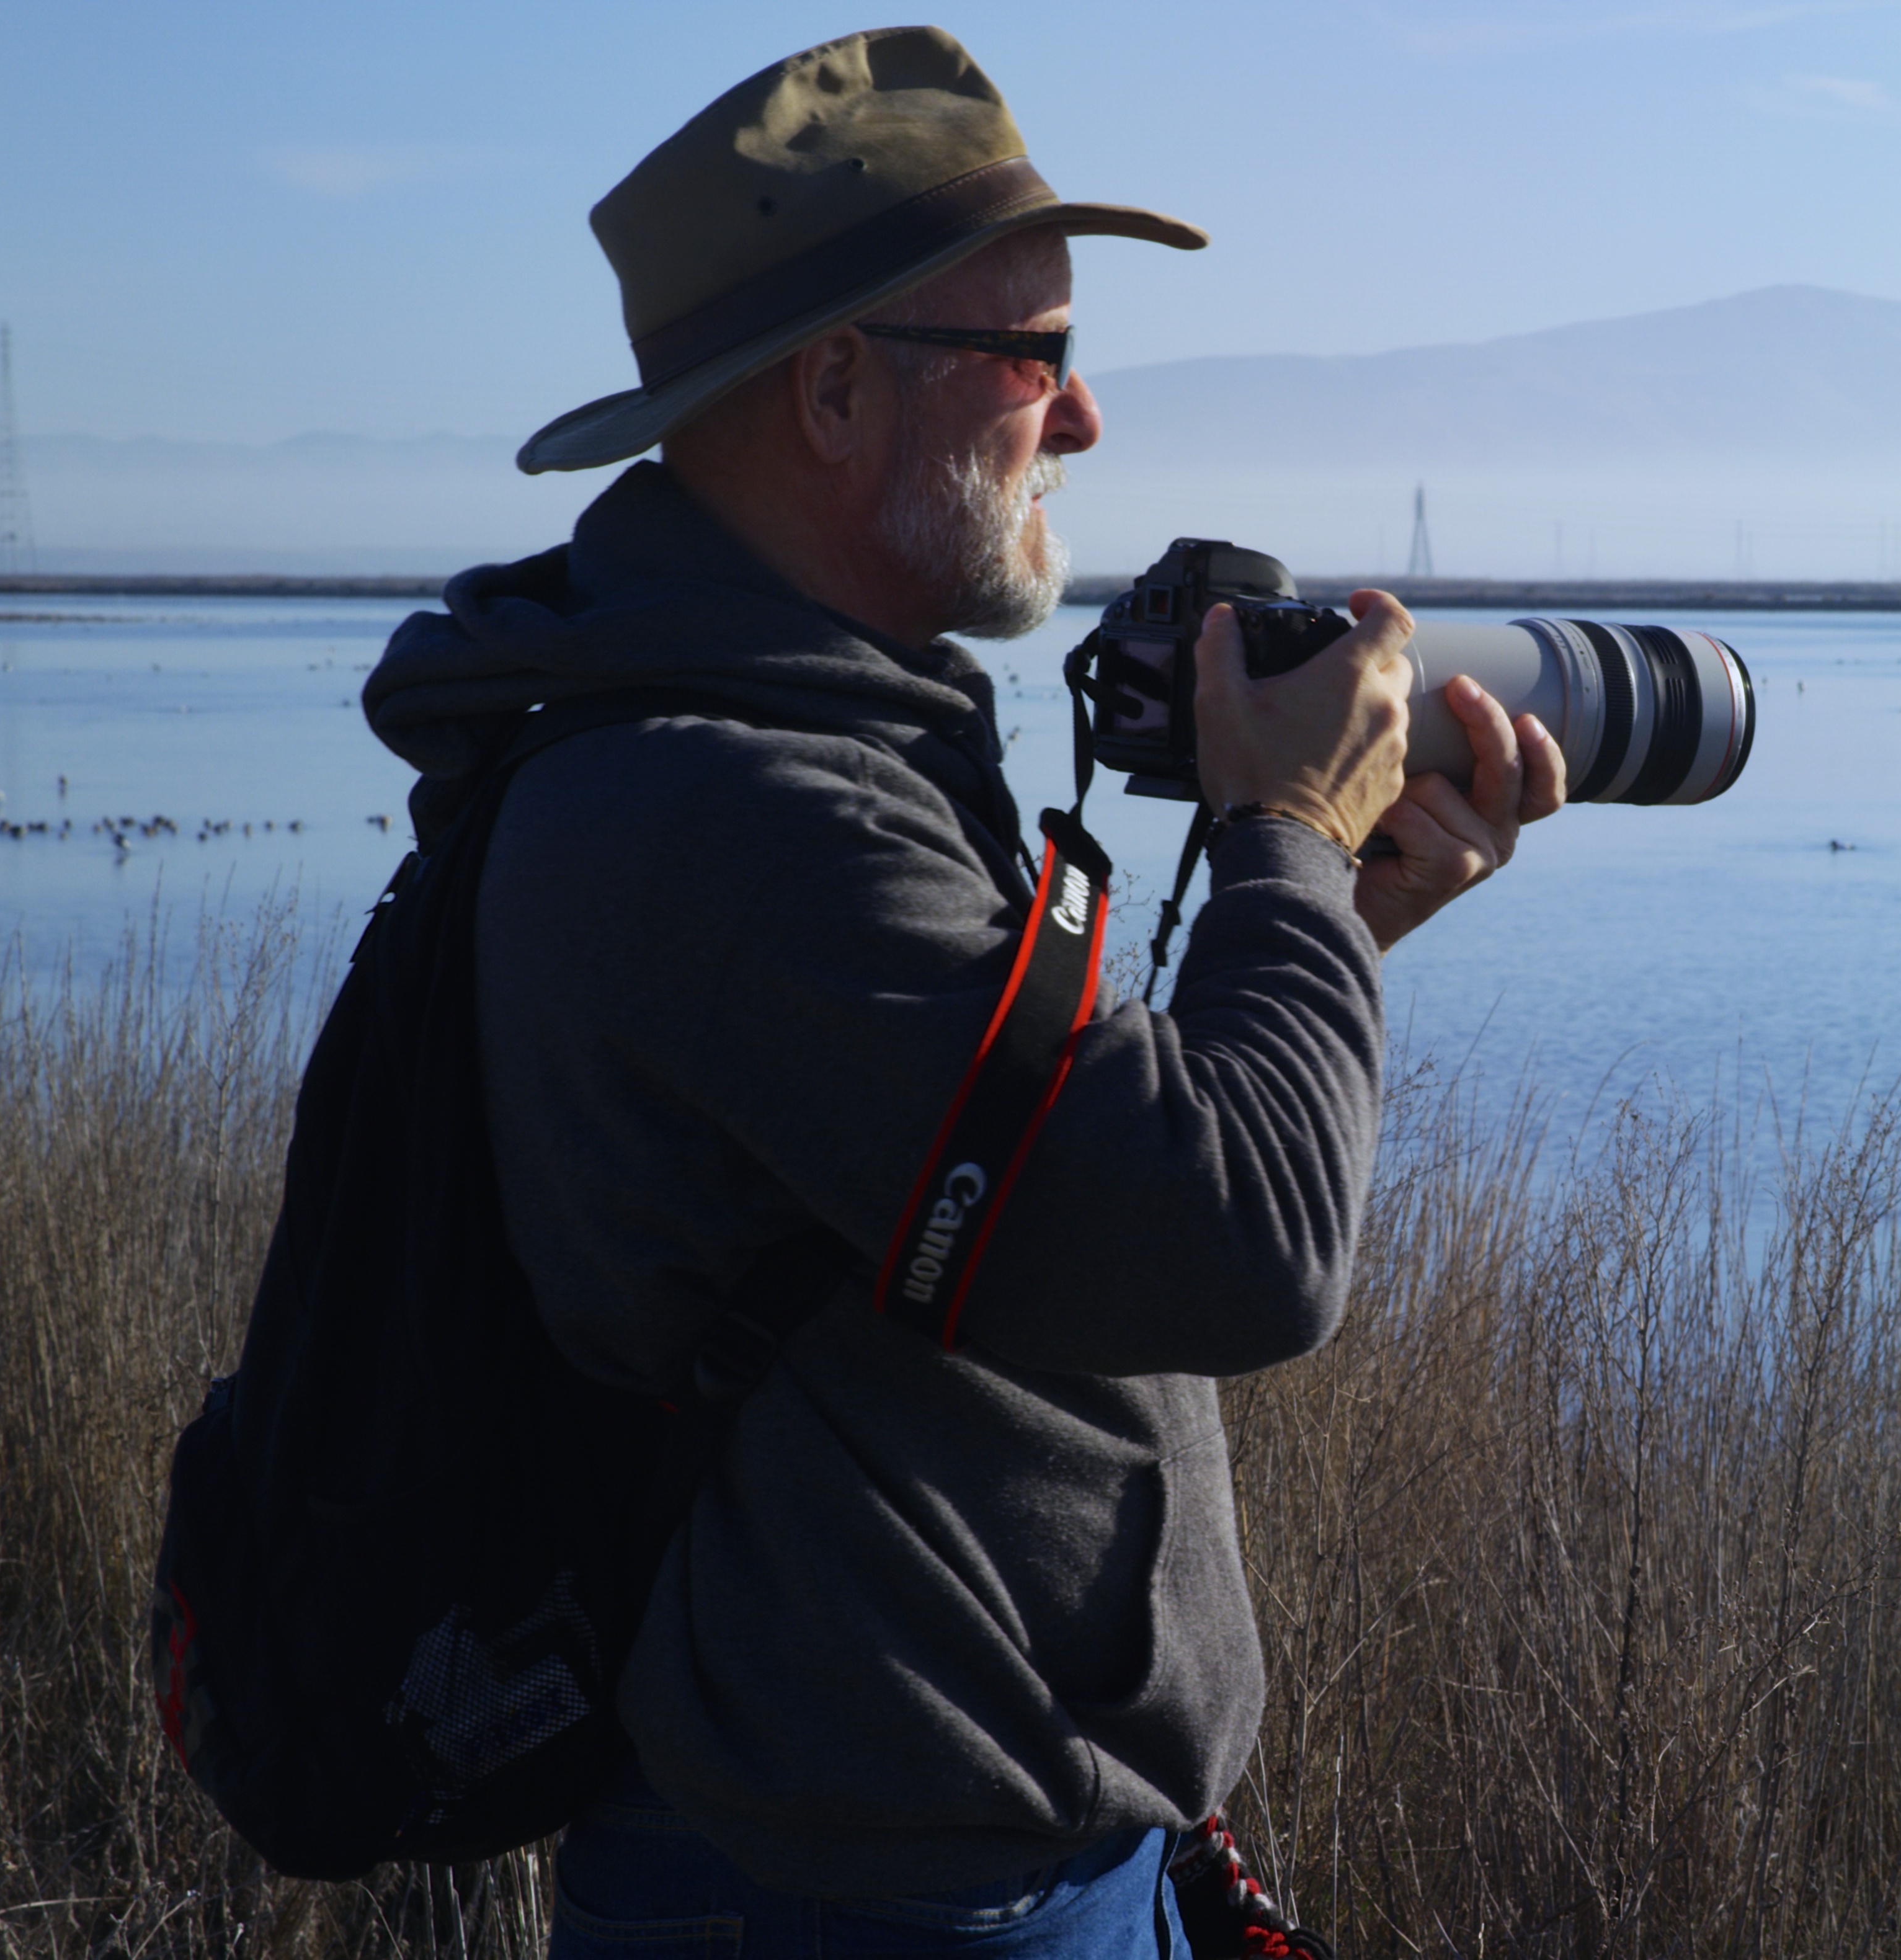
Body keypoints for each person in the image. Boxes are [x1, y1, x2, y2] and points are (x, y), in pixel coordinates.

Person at [358, 27, 1560, 1956]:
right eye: (1038, 359)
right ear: (835, 391)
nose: (1080, 424)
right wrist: (1289, 846)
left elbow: (1027, 1165)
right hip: (863, 1906)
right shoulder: (732, 811)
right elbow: (1238, 1244)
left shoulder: (796, 741)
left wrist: (1333, 914)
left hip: (962, 1875)